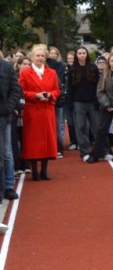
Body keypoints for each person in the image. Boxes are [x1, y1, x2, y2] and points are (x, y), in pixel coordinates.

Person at [18, 45, 61, 182]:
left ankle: (44, 170)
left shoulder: (52, 73)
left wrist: (50, 95)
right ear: (32, 57)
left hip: (47, 110)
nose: (40, 58)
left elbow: (57, 90)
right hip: (33, 111)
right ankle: (35, 171)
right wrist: (35, 95)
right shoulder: (25, 73)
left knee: (47, 141)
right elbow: (21, 92)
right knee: (33, 142)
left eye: (42, 56)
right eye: (38, 55)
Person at [70, 46, 100, 160]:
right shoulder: (72, 69)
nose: (82, 55)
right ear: (76, 55)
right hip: (78, 102)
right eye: (79, 53)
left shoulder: (93, 68)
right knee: (81, 127)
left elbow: (98, 85)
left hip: (93, 102)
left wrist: (98, 101)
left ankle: (98, 150)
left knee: (96, 127)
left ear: (87, 55)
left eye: (84, 53)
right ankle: (85, 152)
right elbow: (70, 87)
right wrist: (71, 103)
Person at [1, 54, 22, 203]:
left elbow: (15, 90)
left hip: (4, 117)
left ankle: (8, 186)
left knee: (7, 152)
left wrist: (8, 107)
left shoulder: (7, 67)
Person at [46, 46, 68, 156]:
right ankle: (50, 147)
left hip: (59, 99)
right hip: (47, 99)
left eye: (55, 53)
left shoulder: (62, 66)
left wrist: (61, 95)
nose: (53, 55)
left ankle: (59, 147)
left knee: (59, 125)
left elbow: (63, 83)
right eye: (51, 53)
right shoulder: (45, 66)